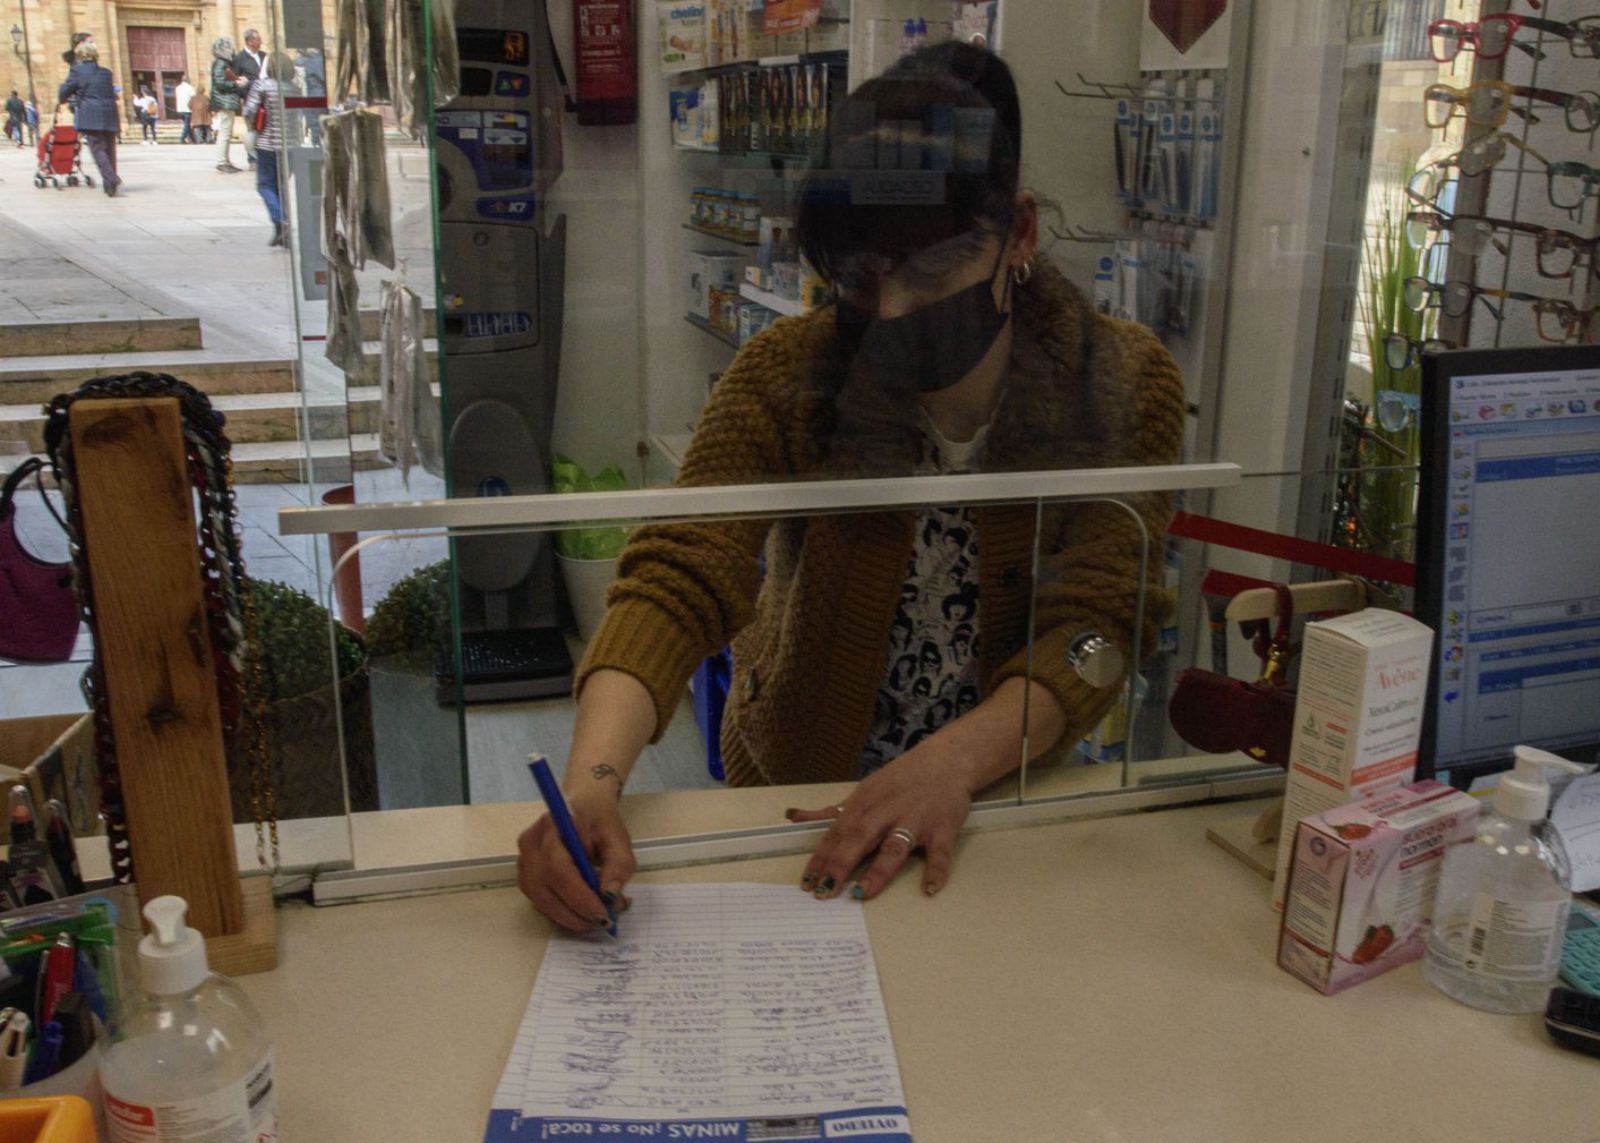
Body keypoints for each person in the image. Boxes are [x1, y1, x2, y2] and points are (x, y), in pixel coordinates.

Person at [515, 43, 1184, 931]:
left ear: (1018, 233)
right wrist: (592, 779)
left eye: (933, 269)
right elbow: (679, 571)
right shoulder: (789, 372)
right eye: (864, 277)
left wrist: (955, 761)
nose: (896, 310)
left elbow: (1102, 629)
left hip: (1006, 806)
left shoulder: (1122, 383)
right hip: (800, 804)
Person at [242, 53, 293, 248]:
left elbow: (249, 112)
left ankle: (281, 221)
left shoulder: (262, 86)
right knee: (281, 188)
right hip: (290, 144)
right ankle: (281, 231)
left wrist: (252, 127)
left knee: (265, 185)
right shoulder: (294, 88)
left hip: (267, 144)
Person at [58, 40, 120, 195]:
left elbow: (64, 93)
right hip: (110, 113)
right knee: (110, 149)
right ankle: (109, 187)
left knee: (97, 148)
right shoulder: (106, 73)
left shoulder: (77, 72)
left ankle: (112, 178)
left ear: (81, 55)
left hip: (91, 115)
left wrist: (64, 93)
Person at [209, 36, 245, 172]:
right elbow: (219, 82)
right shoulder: (220, 63)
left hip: (227, 101)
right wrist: (235, 83)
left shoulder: (224, 63)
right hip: (224, 101)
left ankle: (226, 160)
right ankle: (222, 161)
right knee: (224, 132)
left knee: (227, 132)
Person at [234, 30, 266, 167]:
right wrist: (245, 94)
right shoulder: (239, 59)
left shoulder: (264, 56)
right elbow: (236, 81)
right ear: (249, 41)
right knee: (252, 129)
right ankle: (252, 160)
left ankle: (264, 158)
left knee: (265, 130)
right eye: (258, 39)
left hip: (266, 99)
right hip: (251, 100)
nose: (261, 41)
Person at [174, 73, 195, 143]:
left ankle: (192, 139)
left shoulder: (177, 88)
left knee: (187, 124)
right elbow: (194, 97)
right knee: (187, 124)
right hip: (187, 109)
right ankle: (182, 138)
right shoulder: (190, 88)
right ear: (188, 80)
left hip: (180, 108)